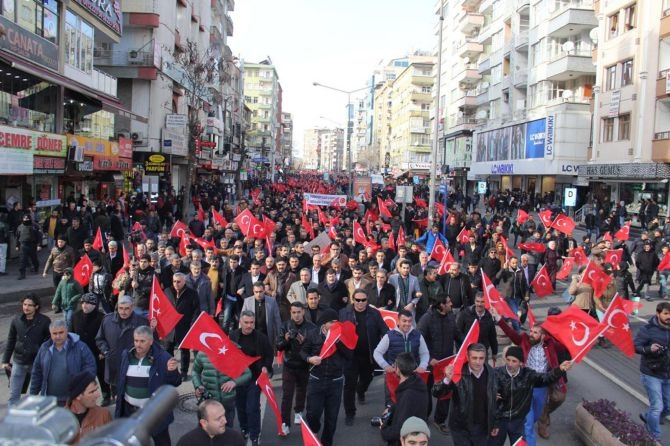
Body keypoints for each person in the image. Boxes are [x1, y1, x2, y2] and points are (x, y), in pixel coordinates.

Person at [490, 346, 572, 446]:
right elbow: (486, 395)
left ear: (521, 363)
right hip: (500, 421)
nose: (510, 364)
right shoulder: (496, 374)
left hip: (518, 422)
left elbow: (545, 378)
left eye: (514, 361)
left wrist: (560, 369)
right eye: (508, 360)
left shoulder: (528, 375)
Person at [115, 325, 182, 446]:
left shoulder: (163, 357)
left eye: (142, 341)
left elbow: (175, 382)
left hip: (154, 413)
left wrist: (172, 371)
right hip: (131, 412)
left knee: (162, 442)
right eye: (136, 340)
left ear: (151, 341)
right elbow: (122, 379)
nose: (138, 344)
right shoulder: (126, 355)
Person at [300, 308, 353, 446]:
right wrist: (310, 359)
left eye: (337, 321)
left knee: (332, 418)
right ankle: (314, 431)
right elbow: (303, 352)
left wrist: (338, 342)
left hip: (335, 381)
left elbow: (349, 355)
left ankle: (326, 442)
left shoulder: (341, 335)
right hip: (316, 380)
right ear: (324, 323)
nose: (335, 324)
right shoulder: (312, 334)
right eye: (331, 322)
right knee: (313, 414)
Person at [432, 343, 499, 445]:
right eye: (474, 358)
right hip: (461, 428)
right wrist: (447, 379)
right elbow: (437, 393)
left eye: (481, 358)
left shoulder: (491, 373)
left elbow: (494, 401)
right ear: (467, 357)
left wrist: (494, 423)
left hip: (482, 427)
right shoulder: (458, 372)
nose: (478, 362)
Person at [339, 288, 389, 425]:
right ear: (353, 300)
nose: (360, 303)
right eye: (357, 300)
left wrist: (388, 339)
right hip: (350, 356)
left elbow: (384, 330)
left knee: (367, 378)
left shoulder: (375, 314)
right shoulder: (344, 313)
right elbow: (337, 331)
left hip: (368, 355)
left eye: (363, 300)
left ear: (367, 300)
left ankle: (361, 391)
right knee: (349, 385)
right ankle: (350, 413)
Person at [229, 311, 274, 446]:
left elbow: (269, 354)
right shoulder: (233, 336)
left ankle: (255, 433)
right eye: (246, 322)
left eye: (252, 322)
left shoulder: (261, 337)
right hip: (238, 378)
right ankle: (244, 428)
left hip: (255, 378)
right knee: (240, 406)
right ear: (240, 322)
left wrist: (266, 367)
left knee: (252, 407)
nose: (249, 325)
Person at [30, 319, 97, 406]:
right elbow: (37, 372)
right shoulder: (44, 348)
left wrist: (82, 389)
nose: (58, 336)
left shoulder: (80, 347)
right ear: (50, 334)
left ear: (67, 331)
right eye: (54, 333)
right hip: (50, 400)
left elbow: (90, 368)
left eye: (61, 332)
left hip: (74, 400)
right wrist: (33, 395)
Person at [95, 295, 149, 400]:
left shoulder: (141, 322)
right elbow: (99, 339)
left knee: (132, 395)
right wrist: (106, 351)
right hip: (114, 364)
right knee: (117, 396)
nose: (123, 312)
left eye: (126, 309)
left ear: (132, 307)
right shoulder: (107, 320)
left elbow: (149, 341)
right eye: (121, 308)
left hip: (133, 364)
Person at [417, 295, 457, 434]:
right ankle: (424, 416)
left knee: (445, 392)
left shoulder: (451, 317)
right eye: (449, 302)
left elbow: (458, 335)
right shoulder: (426, 319)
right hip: (429, 364)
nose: (451, 304)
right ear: (441, 305)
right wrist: (429, 359)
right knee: (426, 392)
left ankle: (439, 420)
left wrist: (467, 347)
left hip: (445, 363)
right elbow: (419, 340)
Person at [1, 293, 51, 405]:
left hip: (36, 362)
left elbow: (49, 341)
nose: (26, 307)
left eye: (30, 305)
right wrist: (5, 360)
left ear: (36, 307)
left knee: (37, 395)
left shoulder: (44, 321)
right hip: (19, 361)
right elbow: (11, 340)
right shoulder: (16, 320)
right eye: (24, 304)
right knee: (14, 395)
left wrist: (42, 353)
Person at [374, 310, 430, 406]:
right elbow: (377, 353)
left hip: (413, 375)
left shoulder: (418, 335)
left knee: (412, 403)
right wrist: (385, 366)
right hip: (393, 375)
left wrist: (423, 366)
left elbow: (424, 353)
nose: (407, 324)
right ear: (398, 321)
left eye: (409, 321)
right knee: (392, 403)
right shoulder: (389, 336)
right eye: (404, 321)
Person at [277, 302, 316, 434]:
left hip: (304, 365)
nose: (296, 315)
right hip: (289, 365)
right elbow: (278, 346)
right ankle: (285, 423)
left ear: (303, 312)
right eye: (294, 312)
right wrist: (286, 340)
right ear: (290, 313)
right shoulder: (285, 326)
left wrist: (304, 342)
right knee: (287, 395)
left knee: (302, 390)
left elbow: (316, 347)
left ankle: (298, 411)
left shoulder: (311, 328)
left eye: (299, 312)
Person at [634, 301, 670, 442]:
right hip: (651, 373)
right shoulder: (648, 329)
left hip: (667, 373)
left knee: (667, 406)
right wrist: (649, 349)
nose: (669, 317)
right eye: (666, 314)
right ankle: (654, 436)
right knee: (657, 406)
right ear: (658, 314)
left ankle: (648, 417)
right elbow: (636, 346)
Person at [191, 349, 252, 427]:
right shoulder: (202, 353)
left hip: (227, 401)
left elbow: (247, 373)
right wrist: (198, 385)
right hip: (209, 401)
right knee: (207, 430)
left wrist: (234, 382)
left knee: (227, 430)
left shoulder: (232, 350)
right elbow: (195, 371)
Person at [380, 352, 429, 446]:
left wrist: (384, 429)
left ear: (398, 370)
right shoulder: (415, 382)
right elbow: (400, 404)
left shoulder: (408, 394)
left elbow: (400, 429)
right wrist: (390, 409)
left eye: (395, 365)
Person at [71, 293, 111, 406]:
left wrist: (103, 351)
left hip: (97, 352)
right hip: (81, 352)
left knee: (101, 374)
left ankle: (106, 394)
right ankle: (82, 395)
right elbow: (72, 334)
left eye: (88, 303)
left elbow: (106, 336)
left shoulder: (102, 318)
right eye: (82, 302)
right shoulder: (75, 316)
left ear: (94, 305)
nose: (84, 305)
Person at [65, 370, 113, 444]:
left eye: (97, 389)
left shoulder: (104, 415)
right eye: (92, 392)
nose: (98, 395)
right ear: (78, 396)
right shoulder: (60, 420)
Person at [176, 399, 246, 446]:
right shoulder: (187, 442)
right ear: (204, 423)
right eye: (218, 418)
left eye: (224, 415)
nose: (225, 421)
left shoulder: (235, 438)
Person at [241, 281, 282, 346]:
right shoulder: (247, 301)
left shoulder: (272, 301)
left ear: (264, 291)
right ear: (253, 291)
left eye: (260, 291)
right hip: (252, 335)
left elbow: (277, 320)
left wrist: (280, 336)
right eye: (256, 292)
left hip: (267, 335)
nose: (258, 294)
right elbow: (242, 320)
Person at [16, 213, 40, 280]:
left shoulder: (34, 226)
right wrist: (17, 245)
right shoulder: (20, 227)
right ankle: (22, 274)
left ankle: (36, 268)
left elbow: (38, 236)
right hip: (23, 245)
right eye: (25, 218)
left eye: (27, 218)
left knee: (34, 258)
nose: (26, 219)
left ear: (30, 218)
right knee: (22, 260)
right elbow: (17, 237)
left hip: (32, 245)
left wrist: (39, 245)